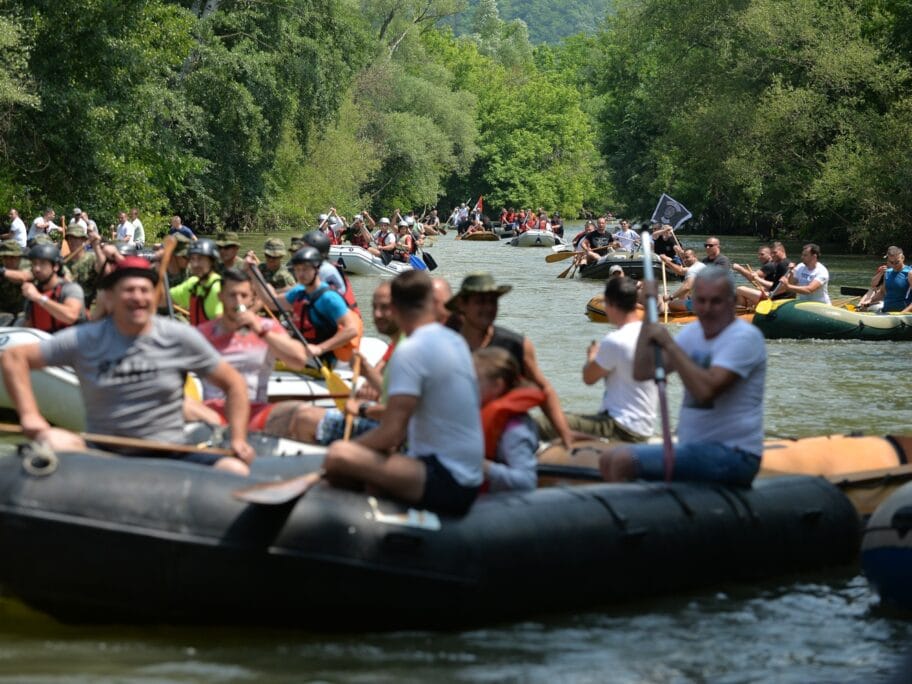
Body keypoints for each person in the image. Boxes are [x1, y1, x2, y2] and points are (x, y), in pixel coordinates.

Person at [1, 256, 254, 474]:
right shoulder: (84, 339)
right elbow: (13, 358)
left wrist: (238, 438)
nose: (138, 297)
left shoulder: (179, 337)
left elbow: (234, 383)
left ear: (154, 296)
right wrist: (30, 416)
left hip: (172, 451)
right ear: (110, 298)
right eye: (129, 290)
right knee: (50, 440)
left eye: (145, 290)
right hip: (101, 451)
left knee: (233, 469)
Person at [323, 271, 483, 515]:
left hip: (447, 479)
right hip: (469, 476)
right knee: (369, 458)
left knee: (339, 454)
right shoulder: (455, 340)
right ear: (431, 303)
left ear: (395, 309)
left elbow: (391, 434)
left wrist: (348, 449)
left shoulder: (410, 350)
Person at [598, 267, 766, 487]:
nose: (707, 308)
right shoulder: (692, 333)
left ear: (732, 302)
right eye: (701, 301)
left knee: (622, 460)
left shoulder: (744, 338)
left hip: (733, 453)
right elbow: (642, 371)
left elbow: (706, 392)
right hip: (693, 448)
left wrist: (669, 344)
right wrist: (649, 314)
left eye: (716, 301)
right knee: (607, 459)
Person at [448, 273, 575, 448]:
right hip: (457, 433)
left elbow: (543, 389)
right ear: (462, 305)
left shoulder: (516, 344)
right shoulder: (444, 344)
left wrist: (565, 435)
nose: (488, 308)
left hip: (507, 436)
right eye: (480, 302)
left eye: (493, 301)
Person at [196, 268, 318, 439]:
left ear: (252, 298)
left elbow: (298, 361)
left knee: (309, 415)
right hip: (212, 415)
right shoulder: (202, 333)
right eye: (232, 295)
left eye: (243, 295)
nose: (238, 301)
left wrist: (261, 332)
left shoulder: (268, 327)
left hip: (255, 412)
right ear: (220, 296)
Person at [543, 277, 657, 443]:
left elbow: (588, 378)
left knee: (544, 422)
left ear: (611, 304)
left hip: (620, 428)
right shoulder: (652, 334)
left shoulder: (616, 340)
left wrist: (592, 356)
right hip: (645, 427)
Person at [295, 281, 399, 444]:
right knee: (299, 416)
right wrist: (370, 376)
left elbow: (404, 412)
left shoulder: (412, 347)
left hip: (398, 434)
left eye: (385, 307)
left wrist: (362, 409)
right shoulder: (399, 342)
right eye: (374, 307)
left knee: (304, 419)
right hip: (387, 420)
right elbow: (384, 365)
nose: (377, 314)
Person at [250, 246, 360, 366]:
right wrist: (254, 273)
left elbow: (352, 329)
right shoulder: (298, 292)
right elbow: (271, 302)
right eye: (297, 270)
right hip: (301, 351)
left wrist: (320, 348)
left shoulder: (329, 298)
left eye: (305, 269)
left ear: (316, 269)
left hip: (321, 357)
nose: (301, 274)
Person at [475, 346, 542, 493]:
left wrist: (482, 466)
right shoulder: (478, 413)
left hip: (502, 501)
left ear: (497, 386)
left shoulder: (515, 430)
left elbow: (527, 481)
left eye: (475, 381)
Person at [21, 243, 85, 332]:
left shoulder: (71, 288)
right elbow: (29, 324)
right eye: (34, 264)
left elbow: (71, 316)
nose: (37, 269)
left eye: (42, 263)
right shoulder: (33, 292)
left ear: (56, 266)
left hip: (71, 339)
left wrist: (38, 298)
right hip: (42, 338)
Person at [169, 238, 223, 325]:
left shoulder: (219, 287)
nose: (195, 264)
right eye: (192, 259)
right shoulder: (193, 283)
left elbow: (222, 325)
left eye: (200, 259)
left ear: (212, 261)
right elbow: (164, 299)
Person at [63, 223, 99, 309]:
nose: (72, 242)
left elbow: (105, 270)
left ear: (83, 240)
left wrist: (96, 246)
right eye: (70, 239)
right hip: (70, 303)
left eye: (76, 238)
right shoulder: (63, 262)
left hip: (90, 303)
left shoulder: (92, 258)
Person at [658, 248, 705, 313]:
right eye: (683, 258)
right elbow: (680, 270)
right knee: (682, 295)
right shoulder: (700, 266)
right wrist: (666, 261)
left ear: (695, 257)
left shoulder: (693, 269)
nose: (684, 260)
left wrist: (671, 297)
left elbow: (687, 287)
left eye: (687, 257)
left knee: (671, 304)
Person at [868, 246, 912, 313]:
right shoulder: (887, 272)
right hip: (886, 312)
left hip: (903, 314)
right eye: (891, 262)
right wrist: (869, 301)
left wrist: (902, 313)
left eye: (897, 262)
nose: (894, 265)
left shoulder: (909, 273)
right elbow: (882, 292)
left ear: (903, 258)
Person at [0, 239, 26, 323]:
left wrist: (2, 272)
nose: (8, 261)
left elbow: (24, 277)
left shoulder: (27, 265)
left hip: (24, 313)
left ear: (19, 258)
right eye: (5, 257)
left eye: (12, 257)